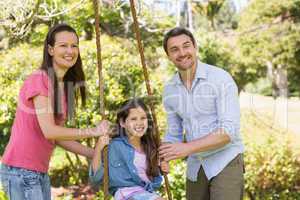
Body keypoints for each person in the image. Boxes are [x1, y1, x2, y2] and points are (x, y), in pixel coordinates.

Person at [0, 23, 109, 200]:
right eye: (63, 45)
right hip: (21, 170)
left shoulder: (64, 89)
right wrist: (94, 131)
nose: (70, 51)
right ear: (50, 49)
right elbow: (49, 131)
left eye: (74, 46)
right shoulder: (40, 79)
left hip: (38, 171)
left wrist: (95, 152)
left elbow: (58, 137)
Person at [158, 27, 245, 200]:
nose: (182, 53)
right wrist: (164, 155)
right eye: (174, 49)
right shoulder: (169, 90)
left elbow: (228, 132)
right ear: (168, 55)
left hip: (225, 160)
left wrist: (186, 148)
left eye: (186, 46)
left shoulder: (220, 79)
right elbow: (174, 133)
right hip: (196, 167)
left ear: (195, 47)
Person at [90, 98, 169, 200]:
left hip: (147, 193)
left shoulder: (150, 146)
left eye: (143, 118)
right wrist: (99, 147)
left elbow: (153, 175)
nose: (139, 123)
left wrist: (162, 168)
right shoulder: (115, 146)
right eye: (133, 119)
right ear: (122, 123)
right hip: (127, 194)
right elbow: (96, 178)